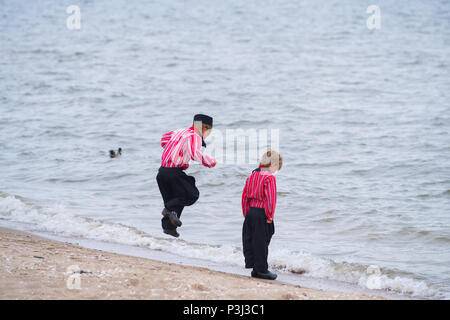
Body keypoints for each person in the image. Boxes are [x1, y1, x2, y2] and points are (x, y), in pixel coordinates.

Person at [156, 114, 217, 238]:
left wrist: (177, 149)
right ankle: (168, 210)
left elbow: (164, 139)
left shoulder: (179, 131)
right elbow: (195, 153)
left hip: (162, 172)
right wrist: (210, 162)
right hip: (174, 172)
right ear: (205, 128)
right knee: (191, 194)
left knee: (175, 199)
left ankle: (169, 227)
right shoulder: (195, 135)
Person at [241, 149, 282, 280]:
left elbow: (244, 197)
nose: (275, 170)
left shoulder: (252, 176)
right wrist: (270, 215)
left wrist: (246, 213)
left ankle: (255, 268)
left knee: (252, 240)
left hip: (250, 213)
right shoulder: (269, 177)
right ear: (273, 164)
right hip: (262, 213)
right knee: (262, 241)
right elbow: (271, 199)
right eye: (277, 167)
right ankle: (262, 270)